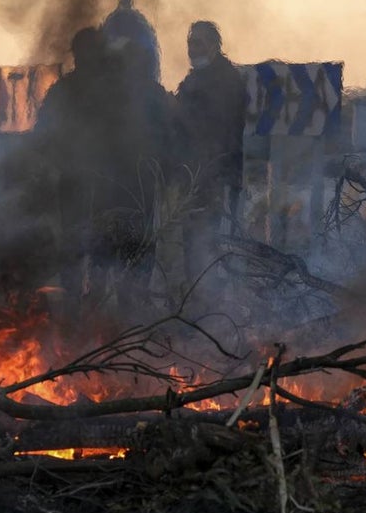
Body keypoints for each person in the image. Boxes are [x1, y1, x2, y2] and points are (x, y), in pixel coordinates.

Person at [34, 19, 180, 319]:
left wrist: (160, 169)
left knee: (110, 242)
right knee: (102, 243)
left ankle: (97, 306)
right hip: (96, 183)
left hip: (120, 182)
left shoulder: (122, 88)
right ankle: (102, 305)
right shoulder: (79, 89)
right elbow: (47, 136)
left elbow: (159, 136)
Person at [175, 20, 247, 287]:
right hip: (195, 177)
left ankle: (209, 308)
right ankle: (195, 302)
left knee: (210, 247)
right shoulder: (194, 80)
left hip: (217, 178)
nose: (193, 49)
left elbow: (222, 130)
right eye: (191, 43)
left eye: (199, 43)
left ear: (215, 46)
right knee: (192, 246)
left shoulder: (226, 81)